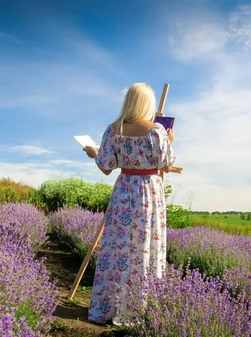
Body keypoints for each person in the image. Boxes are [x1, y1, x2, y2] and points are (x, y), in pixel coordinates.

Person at [82, 82, 176, 326]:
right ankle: (140, 307)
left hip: (124, 190)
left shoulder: (113, 130)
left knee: (118, 245)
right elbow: (166, 162)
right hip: (149, 191)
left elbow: (105, 167)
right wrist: (171, 139)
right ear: (148, 104)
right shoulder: (157, 131)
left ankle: (107, 306)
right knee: (146, 245)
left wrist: (94, 153)